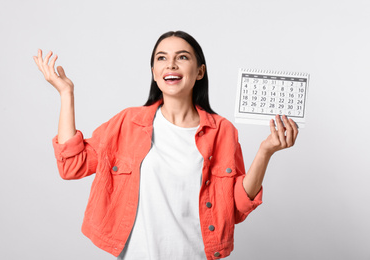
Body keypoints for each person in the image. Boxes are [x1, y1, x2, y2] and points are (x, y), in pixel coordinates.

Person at [33, 31, 298, 260]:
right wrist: (66, 94)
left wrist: (266, 151)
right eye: (162, 58)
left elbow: (237, 207)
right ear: (154, 73)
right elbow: (71, 165)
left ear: (199, 72)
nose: (171, 64)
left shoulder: (222, 131)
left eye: (182, 57)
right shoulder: (128, 123)